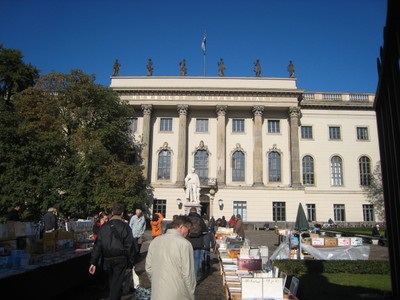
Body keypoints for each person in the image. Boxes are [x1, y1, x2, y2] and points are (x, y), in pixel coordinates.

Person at [89, 202, 137, 300]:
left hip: (107, 258)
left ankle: (114, 296)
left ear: (112, 212)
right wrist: (131, 261)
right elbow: (130, 245)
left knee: (113, 283)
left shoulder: (104, 227)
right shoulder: (125, 227)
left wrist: (93, 262)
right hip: (120, 258)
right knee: (116, 283)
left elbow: (98, 245)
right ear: (122, 214)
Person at [145, 215, 196, 300]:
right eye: (188, 229)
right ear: (181, 227)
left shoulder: (155, 241)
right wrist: (191, 294)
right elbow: (188, 275)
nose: (188, 232)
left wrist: (157, 282)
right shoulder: (185, 244)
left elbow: (148, 268)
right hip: (178, 294)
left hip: (157, 292)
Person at [187, 207, 208, 280]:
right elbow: (205, 230)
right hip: (198, 242)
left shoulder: (186, 219)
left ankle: (188, 277)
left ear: (190, 211)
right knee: (196, 260)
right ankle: (194, 277)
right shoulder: (200, 219)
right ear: (197, 212)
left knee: (188, 259)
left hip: (188, 242)